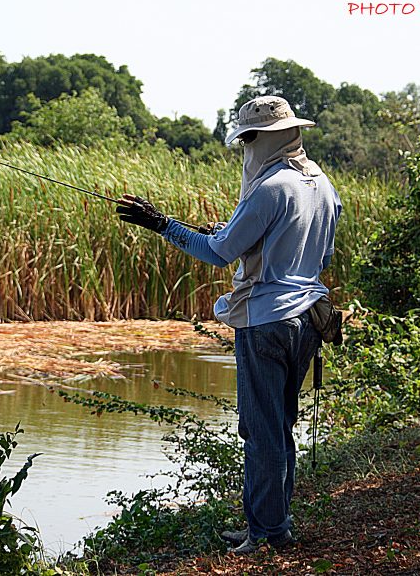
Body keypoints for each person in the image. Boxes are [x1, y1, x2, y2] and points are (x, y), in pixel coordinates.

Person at [115, 95, 342, 554]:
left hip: (267, 322)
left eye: (249, 140)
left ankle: (266, 535)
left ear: (263, 138)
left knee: (261, 433)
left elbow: (218, 253)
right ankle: (273, 525)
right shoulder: (322, 184)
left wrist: (162, 224)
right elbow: (318, 253)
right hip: (308, 319)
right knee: (279, 427)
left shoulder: (270, 187)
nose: (246, 149)